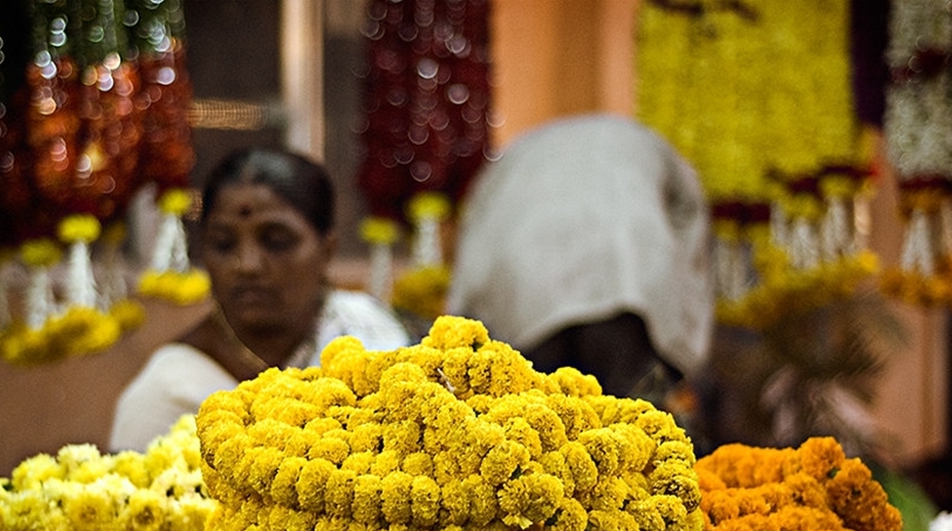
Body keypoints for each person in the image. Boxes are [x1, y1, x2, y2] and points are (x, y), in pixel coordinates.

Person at [110, 147, 411, 451]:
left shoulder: (368, 330)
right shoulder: (168, 394)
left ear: (327, 250)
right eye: (223, 244)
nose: (248, 264)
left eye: (276, 241)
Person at [446, 113, 714, 401]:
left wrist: (459, 320)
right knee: (624, 422)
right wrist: (685, 338)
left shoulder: (515, 156)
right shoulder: (652, 146)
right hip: (625, 283)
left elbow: (476, 238)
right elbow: (692, 231)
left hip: (529, 293)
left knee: (536, 419)